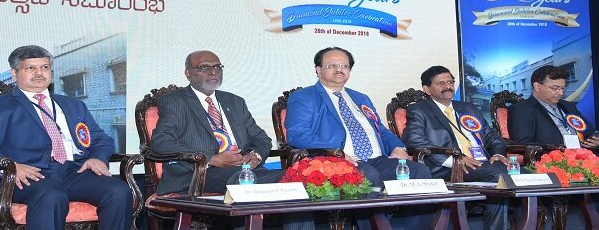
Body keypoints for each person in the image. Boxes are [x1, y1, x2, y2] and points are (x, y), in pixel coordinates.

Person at [0, 45, 133, 230]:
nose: (39, 73)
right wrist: (10, 166)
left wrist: (97, 158)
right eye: (31, 68)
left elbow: (101, 139)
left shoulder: (73, 105)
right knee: (52, 195)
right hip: (26, 177)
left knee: (118, 191)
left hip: (74, 172)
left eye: (45, 67)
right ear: (15, 74)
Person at [151, 50, 312, 230]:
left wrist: (256, 156)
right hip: (198, 174)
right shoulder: (175, 101)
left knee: (294, 179)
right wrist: (210, 158)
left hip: (244, 170)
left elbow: (261, 138)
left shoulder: (234, 101)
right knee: (242, 182)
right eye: (204, 67)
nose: (213, 72)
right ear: (188, 73)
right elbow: (161, 142)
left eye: (217, 67)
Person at [284, 47, 433, 229]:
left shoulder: (360, 97)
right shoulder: (304, 97)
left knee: (420, 172)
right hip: (337, 161)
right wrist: (336, 152)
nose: (339, 69)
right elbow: (297, 134)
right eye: (332, 65)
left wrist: (397, 147)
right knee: (368, 176)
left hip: (376, 159)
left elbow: (381, 130)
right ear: (318, 70)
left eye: (344, 65)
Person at [402, 65, 509, 229]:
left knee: (517, 173)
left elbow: (491, 136)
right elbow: (414, 140)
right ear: (427, 89)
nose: (447, 86)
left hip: (482, 162)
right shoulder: (419, 110)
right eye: (440, 83)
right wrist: (455, 160)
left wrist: (498, 154)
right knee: (500, 175)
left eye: (450, 81)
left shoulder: (468, 108)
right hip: (447, 167)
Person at [509, 64, 599, 176]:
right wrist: (557, 148)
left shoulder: (568, 106)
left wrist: (594, 139)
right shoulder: (522, 109)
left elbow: (588, 130)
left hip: (584, 157)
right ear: (537, 86)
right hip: (554, 161)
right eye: (554, 88)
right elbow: (522, 143)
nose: (560, 93)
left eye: (563, 88)